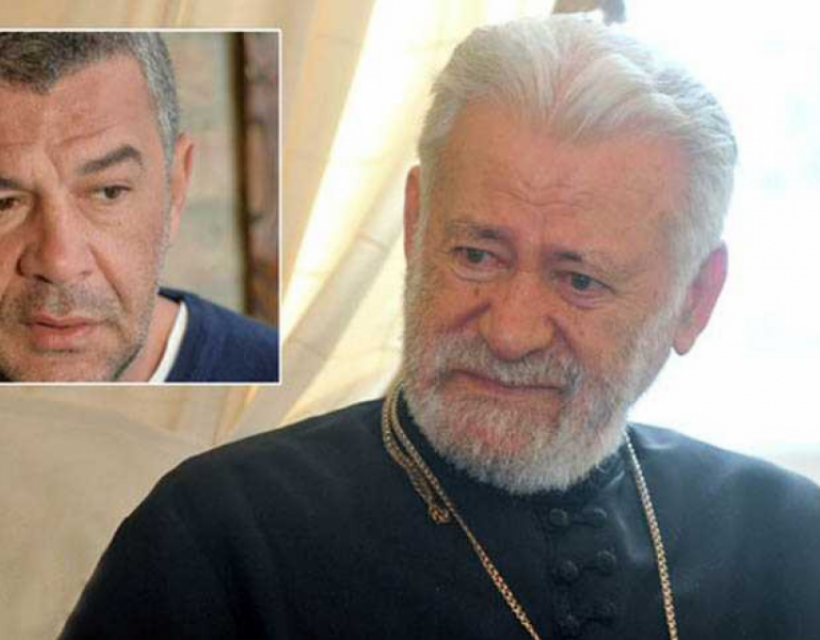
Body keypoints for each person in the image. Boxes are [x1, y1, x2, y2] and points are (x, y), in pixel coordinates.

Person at [61, 17, 820, 639]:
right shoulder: (215, 539)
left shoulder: (789, 540)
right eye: (476, 255)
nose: (510, 333)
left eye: (579, 280)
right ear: (416, 225)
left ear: (695, 300)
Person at [0, 32, 278, 383]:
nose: (60, 263)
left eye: (109, 192)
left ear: (175, 190)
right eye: (0, 204)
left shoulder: (293, 394)